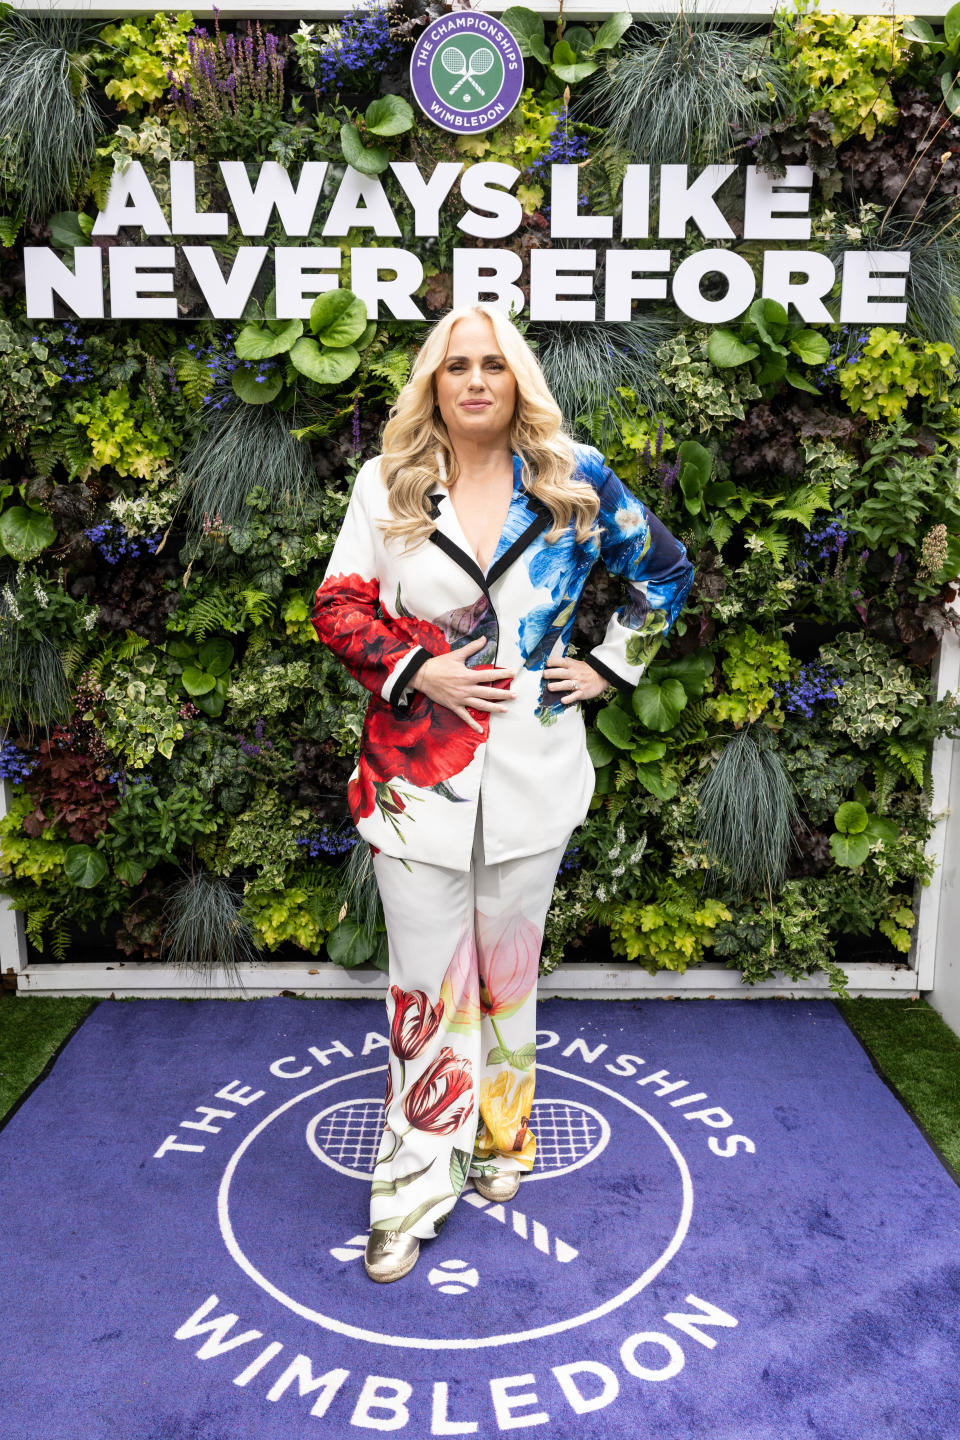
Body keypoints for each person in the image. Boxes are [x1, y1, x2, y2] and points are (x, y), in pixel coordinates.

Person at [311, 302, 695, 1283]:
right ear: (432, 385)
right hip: (414, 779)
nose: (475, 380)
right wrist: (416, 671)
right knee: (424, 993)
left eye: (492, 364)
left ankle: (500, 1142)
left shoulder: (572, 479)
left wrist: (610, 666)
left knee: (507, 979)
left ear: (517, 378)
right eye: (455, 366)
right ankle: (408, 1190)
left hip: (535, 770)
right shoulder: (385, 483)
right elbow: (339, 604)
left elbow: (664, 572)